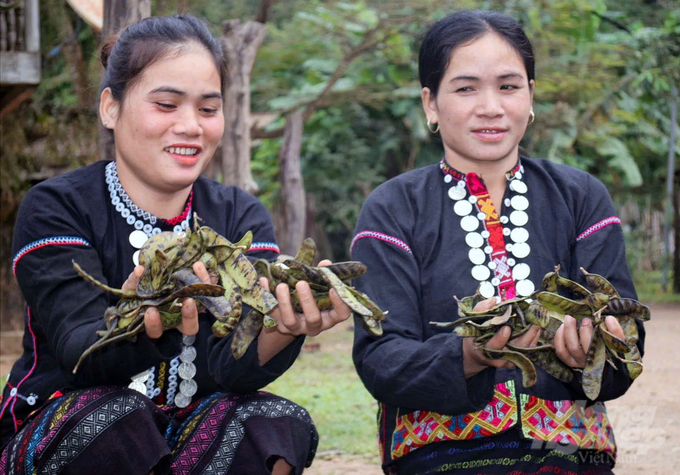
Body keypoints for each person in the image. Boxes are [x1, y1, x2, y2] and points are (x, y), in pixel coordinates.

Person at [0, 15, 351, 475]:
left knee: (271, 422)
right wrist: (143, 312)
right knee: (114, 418)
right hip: (67, 427)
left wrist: (280, 326)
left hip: (190, 434)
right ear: (110, 107)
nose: (191, 126)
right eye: (166, 104)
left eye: (208, 109)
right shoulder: (56, 206)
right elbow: (77, 347)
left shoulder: (239, 215)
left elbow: (234, 371)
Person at [350, 10, 644, 475]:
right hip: (440, 458)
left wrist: (597, 348)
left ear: (531, 97)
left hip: (569, 455)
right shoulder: (393, 208)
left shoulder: (582, 197)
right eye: (466, 88)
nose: (491, 106)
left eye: (509, 86)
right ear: (430, 103)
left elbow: (626, 339)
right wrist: (468, 354)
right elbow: (381, 359)